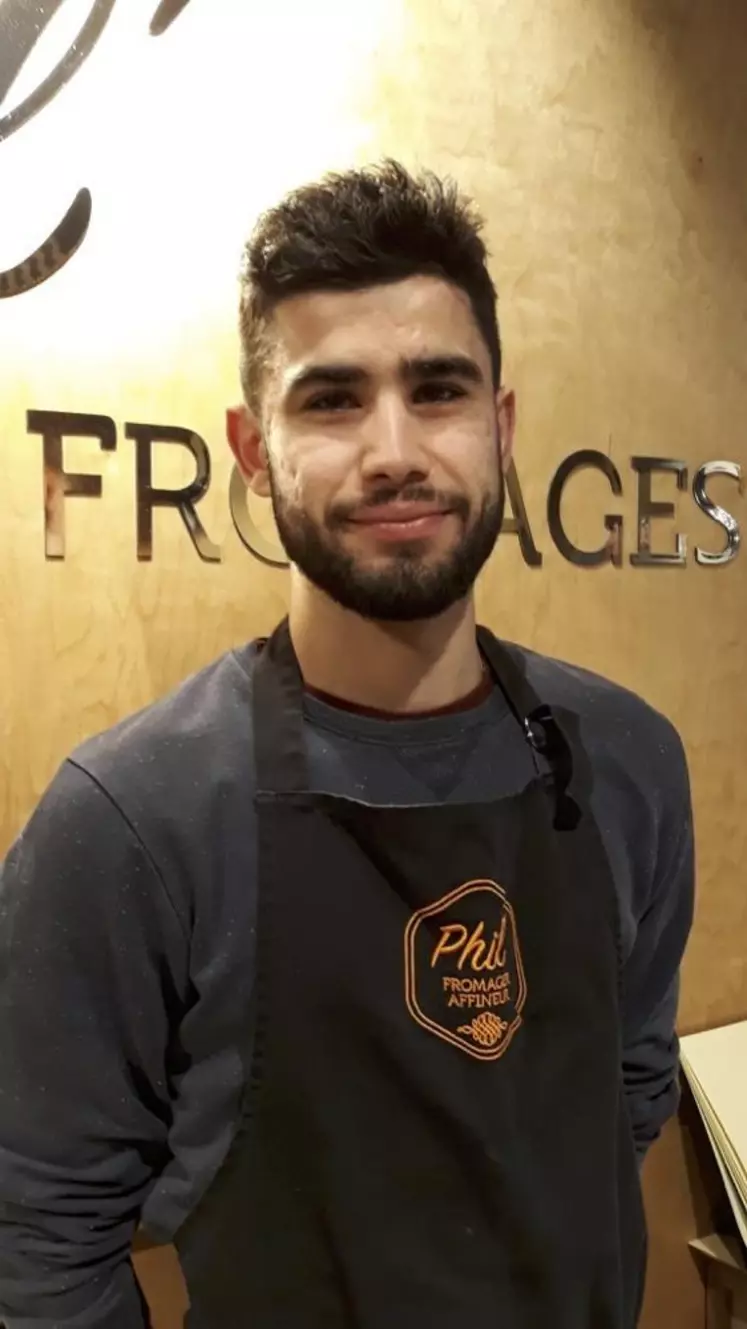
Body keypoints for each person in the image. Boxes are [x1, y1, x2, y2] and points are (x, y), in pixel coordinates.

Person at [0, 160, 694, 1329]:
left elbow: (630, 1085)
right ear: (253, 448)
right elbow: (36, 1234)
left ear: (503, 427)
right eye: (331, 400)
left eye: (439, 391)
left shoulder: (625, 760)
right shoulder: (130, 819)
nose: (394, 450)